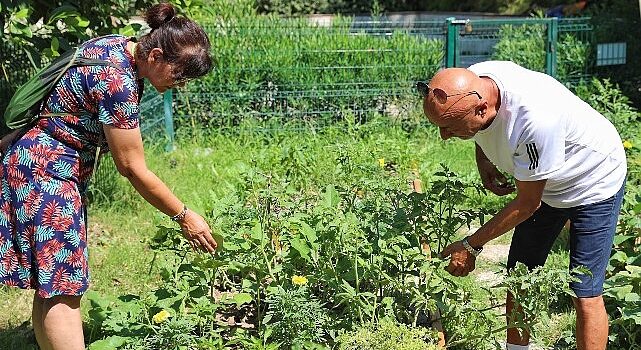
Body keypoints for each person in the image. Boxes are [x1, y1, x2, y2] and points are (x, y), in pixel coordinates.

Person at [0, 3, 218, 349]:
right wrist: (184, 215)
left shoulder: (116, 45)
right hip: (47, 174)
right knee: (63, 286)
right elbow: (132, 167)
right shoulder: (117, 82)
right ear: (156, 56)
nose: (179, 84)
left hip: (33, 165)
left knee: (53, 283)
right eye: (179, 75)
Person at [418, 61, 626, 350]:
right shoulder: (476, 80)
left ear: (481, 109)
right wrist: (484, 158)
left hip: (593, 181)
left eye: (450, 128)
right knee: (520, 277)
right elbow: (483, 127)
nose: (444, 136)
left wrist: (470, 245)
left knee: (585, 291)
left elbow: (528, 204)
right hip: (544, 183)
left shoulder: (535, 119)